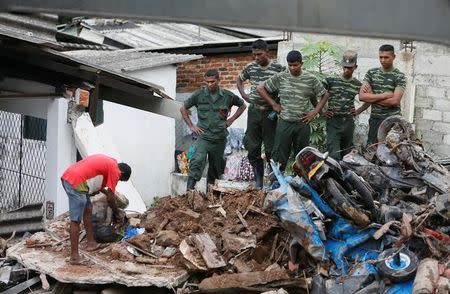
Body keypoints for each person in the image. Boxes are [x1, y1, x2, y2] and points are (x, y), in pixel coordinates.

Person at [257, 50, 329, 171]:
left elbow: (324, 95)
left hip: (303, 124)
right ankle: (277, 184)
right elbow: (260, 88)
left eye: (295, 65)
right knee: (279, 156)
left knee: (303, 158)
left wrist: (315, 112)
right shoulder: (281, 77)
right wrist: (274, 104)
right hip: (285, 123)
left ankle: (301, 185)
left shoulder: (310, 79)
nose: (292, 68)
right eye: (290, 65)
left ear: (302, 63)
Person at [181, 69, 246, 190]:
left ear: (218, 81)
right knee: (197, 160)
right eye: (207, 82)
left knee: (216, 168)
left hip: (219, 138)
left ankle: (210, 195)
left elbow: (242, 105)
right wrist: (191, 125)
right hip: (204, 136)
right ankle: (189, 191)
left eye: (212, 81)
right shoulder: (199, 95)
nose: (209, 84)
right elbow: (183, 108)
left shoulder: (228, 96)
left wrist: (231, 120)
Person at [61, 154, 131, 265]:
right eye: (121, 180)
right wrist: (117, 212)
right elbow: (110, 198)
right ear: (121, 173)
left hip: (73, 177)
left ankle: (91, 243)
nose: (118, 180)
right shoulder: (116, 171)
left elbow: (101, 185)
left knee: (88, 209)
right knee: (75, 220)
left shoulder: (111, 163)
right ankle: (74, 257)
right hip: (76, 182)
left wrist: (105, 192)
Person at [236, 39, 285, 188]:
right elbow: (239, 79)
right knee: (252, 147)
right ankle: (258, 182)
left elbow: (286, 86)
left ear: (267, 52)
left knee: (271, 149)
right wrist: (244, 95)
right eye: (254, 55)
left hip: (270, 113)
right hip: (254, 111)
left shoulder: (278, 68)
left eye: (259, 54)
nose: (256, 58)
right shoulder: (250, 67)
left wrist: (279, 104)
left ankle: (273, 180)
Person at [323, 50, 369, 160]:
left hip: (348, 123)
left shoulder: (357, 84)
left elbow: (369, 99)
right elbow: (316, 93)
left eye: (350, 67)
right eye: (345, 67)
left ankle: (346, 176)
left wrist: (358, 111)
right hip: (334, 122)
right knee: (334, 155)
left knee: (347, 155)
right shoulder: (331, 81)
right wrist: (322, 111)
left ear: (355, 67)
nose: (346, 70)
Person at [359, 44, 407, 145]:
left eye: (386, 57)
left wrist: (372, 96)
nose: (383, 60)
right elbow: (362, 97)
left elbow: (395, 101)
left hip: (392, 121)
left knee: (393, 151)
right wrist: (384, 95)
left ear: (393, 57)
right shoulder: (371, 73)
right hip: (375, 119)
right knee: (372, 149)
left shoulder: (399, 76)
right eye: (381, 57)